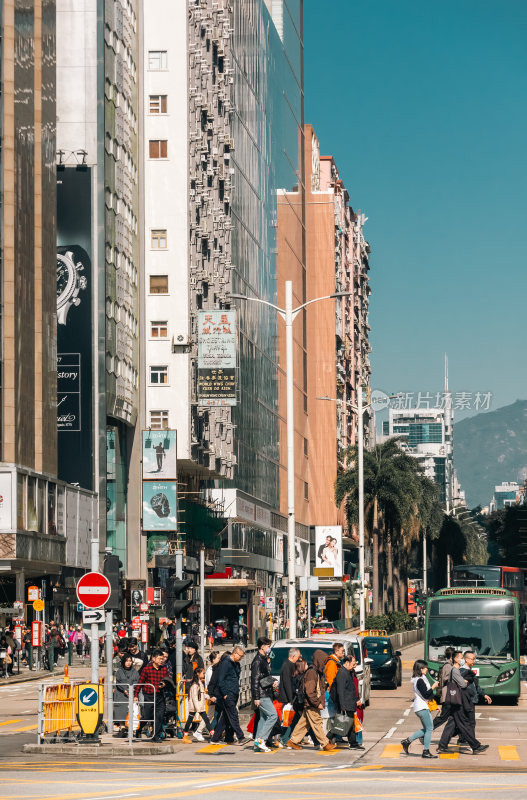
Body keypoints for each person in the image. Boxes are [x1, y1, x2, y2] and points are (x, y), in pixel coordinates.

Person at [286, 649, 337, 752]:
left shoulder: (315, 672)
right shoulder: (312, 672)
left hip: (311, 703)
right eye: (323, 661)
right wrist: (317, 703)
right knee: (317, 723)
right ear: (319, 661)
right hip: (312, 703)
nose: (325, 664)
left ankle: (292, 741)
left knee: (303, 724)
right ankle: (325, 743)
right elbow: (310, 691)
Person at [401, 659, 439, 759]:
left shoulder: (420, 678)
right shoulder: (419, 680)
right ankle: (425, 751)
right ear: (421, 669)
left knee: (427, 729)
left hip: (421, 707)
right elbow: (426, 695)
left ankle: (407, 741)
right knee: (430, 728)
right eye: (426, 668)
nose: (427, 669)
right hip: (421, 707)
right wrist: (433, 687)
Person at [210, 646, 248, 745]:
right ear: (235, 653)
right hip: (228, 694)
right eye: (240, 656)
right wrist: (225, 693)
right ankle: (241, 736)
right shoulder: (225, 663)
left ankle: (215, 739)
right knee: (233, 714)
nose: (241, 658)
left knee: (226, 717)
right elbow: (220, 680)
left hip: (234, 692)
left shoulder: (236, 664)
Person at [134, 649, 170, 742]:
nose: (161, 660)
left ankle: (155, 735)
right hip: (149, 695)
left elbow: (168, 680)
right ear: (153, 659)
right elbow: (140, 682)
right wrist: (136, 695)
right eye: (159, 659)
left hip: (160, 695)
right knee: (147, 715)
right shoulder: (147, 669)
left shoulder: (164, 669)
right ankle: (139, 729)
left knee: (159, 716)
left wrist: (165, 684)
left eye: (162, 659)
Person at [251, 636, 279, 753]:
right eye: (268, 646)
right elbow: (255, 680)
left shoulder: (263, 659)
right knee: (273, 716)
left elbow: (263, 678)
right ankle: (261, 740)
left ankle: (258, 743)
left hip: (265, 692)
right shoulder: (258, 661)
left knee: (263, 718)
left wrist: (272, 681)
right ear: (262, 647)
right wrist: (256, 697)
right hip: (262, 695)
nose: (269, 648)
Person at [331, 655, 365, 750]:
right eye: (353, 662)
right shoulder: (342, 673)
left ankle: (328, 739)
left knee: (346, 724)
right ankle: (353, 743)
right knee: (346, 724)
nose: (355, 663)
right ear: (346, 663)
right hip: (345, 703)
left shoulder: (348, 672)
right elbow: (340, 691)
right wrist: (342, 705)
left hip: (349, 702)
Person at [182, 666, 213, 742]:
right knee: (206, 720)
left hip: (197, 706)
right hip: (197, 706)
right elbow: (195, 698)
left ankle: (185, 735)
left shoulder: (199, 683)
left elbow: (201, 695)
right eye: (203, 673)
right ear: (198, 674)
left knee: (190, 720)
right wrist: (199, 708)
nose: (204, 674)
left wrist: (209, 697)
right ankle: (212, 733)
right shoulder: (195, 685)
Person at [278, 648, 301, 745]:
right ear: (293, 656)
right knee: (287, 719)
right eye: (298, 656)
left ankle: (285, 737)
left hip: (290, 697)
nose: (299, 658)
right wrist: (291, 699)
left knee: (290, 719)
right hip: (287, 698)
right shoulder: (287, 665)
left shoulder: (290, 665)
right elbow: (287, 683)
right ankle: (283, 738)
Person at [114, 654, 140, 737]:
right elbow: (118, 682)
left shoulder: (135, 671)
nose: (128, 663)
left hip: (131, 693)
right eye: (127, 661)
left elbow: (137, 681)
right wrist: (125, 689)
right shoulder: (119, 671)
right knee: (121, 710)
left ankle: (129, 728)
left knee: (131, 711)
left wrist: (131, 689)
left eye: (130, 661)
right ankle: (122, 728)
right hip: (121, 693)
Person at [432, 647, 456, 731]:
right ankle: (425, 732)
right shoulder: (448, 666)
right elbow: (446, 678)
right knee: (443, 717)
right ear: (452, 656)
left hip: (451, 695)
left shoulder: (450, 665)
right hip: (448, 695)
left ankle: (462, 738)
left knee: (457, 717)